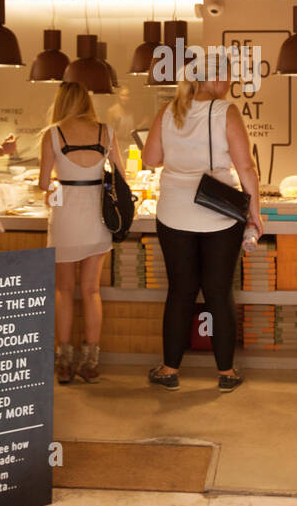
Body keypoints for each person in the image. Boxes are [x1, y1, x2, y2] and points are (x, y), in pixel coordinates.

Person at [142, 72, 263, 390]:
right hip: (219, 213)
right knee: (219, 292)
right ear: (211, 78)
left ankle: (169, 370)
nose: (231, 83)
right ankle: (226, 374)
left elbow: (150, 159)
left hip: (173, 212)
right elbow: (245, 167)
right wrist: (255, 212)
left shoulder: (168, 111)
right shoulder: (226, 112)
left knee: (180, 291)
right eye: (227, 76)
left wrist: (181, 156)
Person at [38, 83, 126, 384]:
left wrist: (55, 191)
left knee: (64, 291)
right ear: (88, 102)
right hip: (97, 219)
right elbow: (122, 177)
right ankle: (90, 362)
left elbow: (43, 183)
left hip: (65, 220)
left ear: (61, 101)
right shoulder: (106, 132)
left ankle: (64, 363)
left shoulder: (53, 134)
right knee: (91, 291)